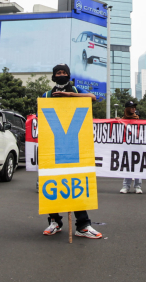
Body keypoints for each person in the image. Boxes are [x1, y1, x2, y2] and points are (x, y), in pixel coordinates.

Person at [41, 64, 103, 240]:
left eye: (64, 72)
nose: (62, 74)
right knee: (53, 182)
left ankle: (83, 225)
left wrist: (70, 95)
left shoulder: (76, 89)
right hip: (54, 145)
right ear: (53, 76)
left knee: (76, 184)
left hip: (75, 144)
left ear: (69, 75)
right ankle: (54, 221)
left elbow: (93, 97)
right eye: (58, 73)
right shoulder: (46, 94)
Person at [120, 100, 143, 194]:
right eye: (131, 107)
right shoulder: (122, 120)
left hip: (137, 145)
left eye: (134, 107)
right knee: (127, 166)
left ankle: (138, 186)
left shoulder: (138, 119)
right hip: (127, 145)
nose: (133, 109)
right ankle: (126, 186)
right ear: (127, 109)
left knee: (138, 165)